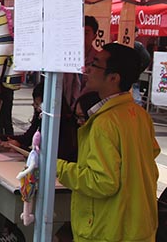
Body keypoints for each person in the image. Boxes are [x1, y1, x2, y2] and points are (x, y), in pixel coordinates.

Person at [56, 43, 160, 241]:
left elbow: (102, 182)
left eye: (95, 64)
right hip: (140, 225)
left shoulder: (105, 122)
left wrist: (58, 167)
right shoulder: (140, 115)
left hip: (109, 229)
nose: (87, 69)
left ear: (113, 78)